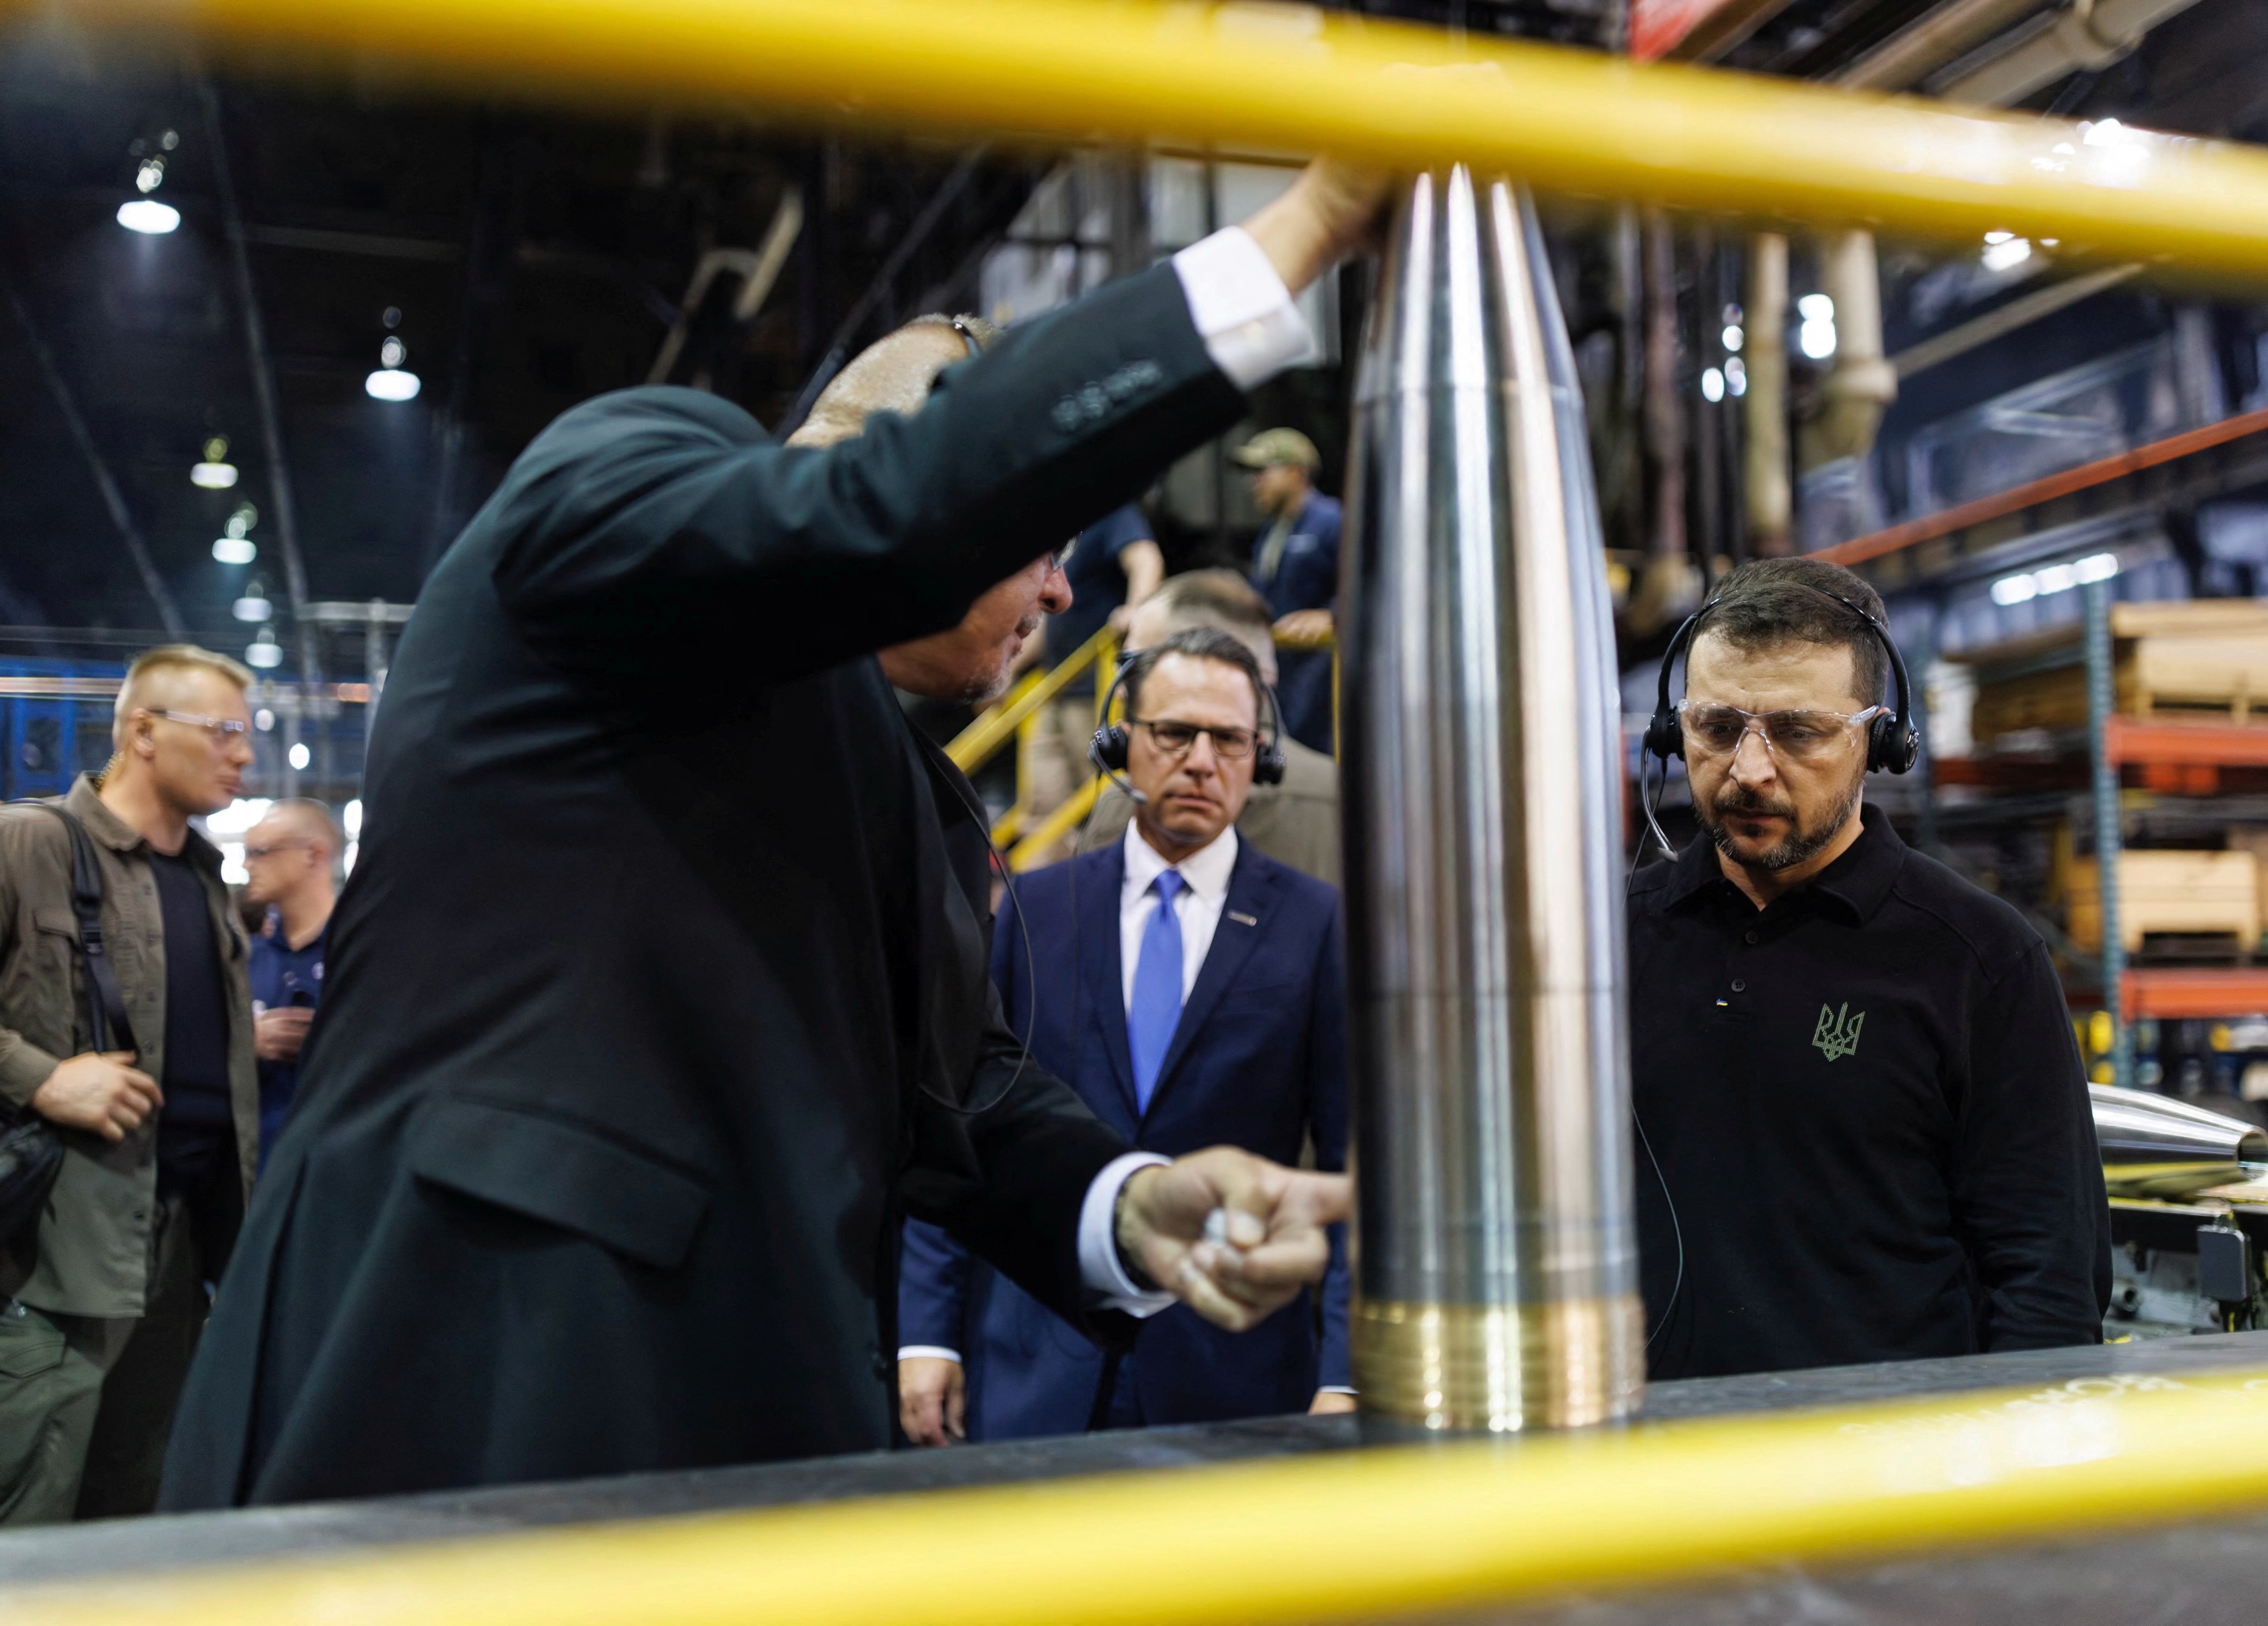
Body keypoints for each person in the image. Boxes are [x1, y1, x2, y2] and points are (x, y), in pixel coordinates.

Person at [160, 158, 1384, 1510]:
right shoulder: (622, 470)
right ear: (898, 454)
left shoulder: (909, 784)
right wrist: (1302, 231)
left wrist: (1127, 1205)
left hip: (747, 1443)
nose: (1055, 586)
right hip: (465, 1383)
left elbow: (961, 1092)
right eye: (1041, 534)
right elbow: (882, 519)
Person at [1631, 556, 2108, 1382]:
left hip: (1888, 1482)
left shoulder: (1980, 960)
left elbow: (2049, 1281)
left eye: (1798, 732)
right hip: (1648, 1478)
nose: (1748, 770)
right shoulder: (1605, 943)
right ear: (1675, 732)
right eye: (1715, 729)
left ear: (1881, 740)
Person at [899, 629, 1349, 1445]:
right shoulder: (1033, 910)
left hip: (1234, 1369)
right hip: (1036, 1357)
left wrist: (1344, 1375)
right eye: (1175, 733)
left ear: (1262, 758)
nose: (1202, 761)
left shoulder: (1316, 925)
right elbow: (957, 1115)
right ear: (1120, 744)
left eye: (1230, 740)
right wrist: (927, 1333)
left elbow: (1354, 1166)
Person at [0, 645, 259, 1524]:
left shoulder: (207, 883)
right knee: (29, 1516)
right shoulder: (31, 843)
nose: (243, 754)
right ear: (142, 731)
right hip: (49, 1261)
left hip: (180, 1252)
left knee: (134, 1515)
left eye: (246, 734)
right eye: (223, 731)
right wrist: (41, 1080)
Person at [1076, 569, 1339, 885]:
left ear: (1203, 653)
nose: (1120, 689)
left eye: (1135, 667)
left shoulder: (1129, 805)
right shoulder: (1347, 797)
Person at [1020, 504, 1164, 854]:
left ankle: (1105, 892)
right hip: (1053, 687)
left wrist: (1136, 614)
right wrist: (1008, 670)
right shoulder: (1063, 529)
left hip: (1095, 691)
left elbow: (1146, 559)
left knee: (1103, 799)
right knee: (1041, 802)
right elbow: (1048, 622)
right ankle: (1040, 900)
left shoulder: (1112, 511)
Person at [243, 799, 341, 1160]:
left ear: (313, 855)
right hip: (258, 1175)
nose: (247, 865)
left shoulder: (363, 958)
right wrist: (244, 1046)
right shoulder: (243, 961)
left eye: (260, 852)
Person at [1238, 427, 1341, 755]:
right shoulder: (1272, 532)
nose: (1254, 483)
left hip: (1322, 682)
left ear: (1296, 473)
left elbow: (1374, 581)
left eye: (1262, 471)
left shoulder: (1331, 522)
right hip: (1284, 676)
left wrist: (1333, 615)